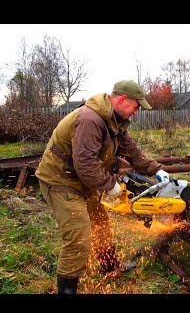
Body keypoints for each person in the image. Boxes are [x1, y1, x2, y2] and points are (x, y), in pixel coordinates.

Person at [35, 80, 170, 294]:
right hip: (61, 181)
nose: (136, 111)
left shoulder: (114, 121)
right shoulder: (90, 120)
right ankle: (67, 290)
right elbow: (85, 165)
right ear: (123, 99)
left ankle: (109, 267)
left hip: (81, 180)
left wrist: (155, 169)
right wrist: (111, 186)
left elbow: (130, 150)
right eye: (136, 106)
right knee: (78, 239)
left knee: (101, 224)